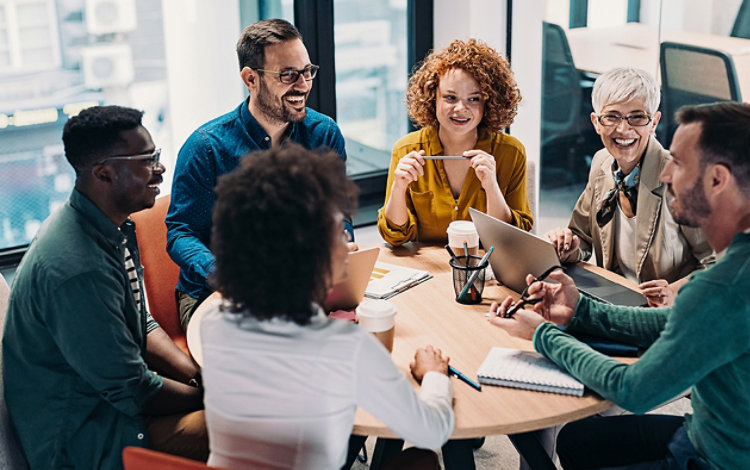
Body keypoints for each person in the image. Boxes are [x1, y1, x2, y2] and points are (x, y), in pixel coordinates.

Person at [489, 102, 750, 469]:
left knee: (576, 441)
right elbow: (677, 322)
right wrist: (579, 311)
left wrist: (544, 334)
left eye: (679, 163)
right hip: (727, 436)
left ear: (717, 180)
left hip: (722, 460)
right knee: (578, 440)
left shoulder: (727, 286)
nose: (666, 173)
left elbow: (633, 389)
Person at [200, 144, 455, 469]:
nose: (347, 243)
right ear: (307, 252)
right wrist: (434, 376)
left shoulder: (214, 322)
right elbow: (432, 431)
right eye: (335, 232)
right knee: (421, 461)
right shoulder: (344, 347)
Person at [3, 106, 208, 469]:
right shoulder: (76, 268)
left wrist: (197, 375)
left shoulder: (108, 225)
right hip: (88, 443)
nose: (160, 169)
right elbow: (135, 391)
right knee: (255, 421)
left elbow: (139, 322)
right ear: (104, 173)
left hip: (113, 408)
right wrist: (212, 397)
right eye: (148, 159)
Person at [166, 19, 352, 331]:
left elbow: (339, 213)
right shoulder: (206, 148)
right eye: (288, 75)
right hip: (215, 295)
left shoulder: (324, 134)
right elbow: (180, 233)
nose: (303, 85)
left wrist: (340, 240)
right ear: (250, 79)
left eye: (307, 72)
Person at [545, 67, 713, 307]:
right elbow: (582, 237)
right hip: (612, 301)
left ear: (654, 122)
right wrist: (565, 245)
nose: (623, 129)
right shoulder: (602, 162)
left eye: (637, 117)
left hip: (665, 315)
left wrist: (676, 292)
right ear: (596, 122)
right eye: (612, 116)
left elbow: (722, 264)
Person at [378, 39, 533, 245]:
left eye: (474, 99)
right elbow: (395, 236)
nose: (460, 108)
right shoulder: (406, 150)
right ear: (432, 98)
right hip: (428, 271)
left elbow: (513, 239)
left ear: (489, 102)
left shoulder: (511, 152)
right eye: (450, 98)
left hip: (486, 270)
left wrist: (491, 186)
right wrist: (398, 188)